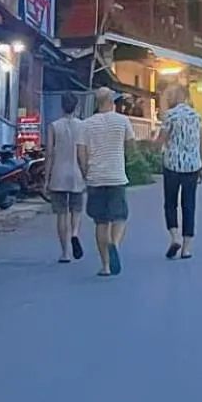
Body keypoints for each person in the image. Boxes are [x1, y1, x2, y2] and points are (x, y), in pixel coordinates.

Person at [78, 87, 136, 276]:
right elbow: (131, 146)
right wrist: (126, 159)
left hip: (95, 178)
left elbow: (81, 153)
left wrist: (86, 173)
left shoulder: (86, 124)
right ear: (111, 101)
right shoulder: (123, 121)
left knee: (101, 222)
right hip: (116, 175)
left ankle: (105, 266)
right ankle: (115, 243)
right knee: (120, 216)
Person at [159, 83, 202, 260]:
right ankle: (186, 248)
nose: (169, 97)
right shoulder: (197, 116)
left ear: (179, 96)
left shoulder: (170, 116)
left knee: (170, 203)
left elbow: (162, 139)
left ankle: (175, 237)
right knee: (189, 205)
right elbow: (201, 144)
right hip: (192, 166)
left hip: (172, 165)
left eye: (171, 94)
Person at [44, 91, 86, 264]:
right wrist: (86, 173)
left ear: (62, 106)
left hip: (58, 174)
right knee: (76, 210)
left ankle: (65, 253)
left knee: (61, 214)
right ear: (76, 106)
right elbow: (84, 152)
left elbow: (49, 153)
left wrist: (46, 178)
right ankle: (75, 233)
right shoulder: (82, 126)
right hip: (77, 174)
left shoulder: (54, 126)